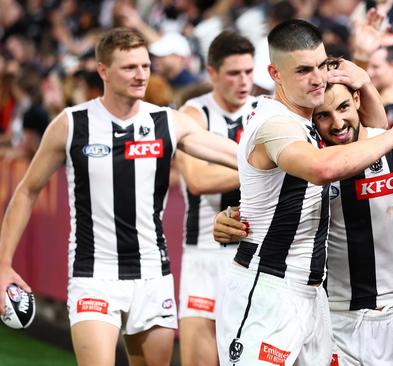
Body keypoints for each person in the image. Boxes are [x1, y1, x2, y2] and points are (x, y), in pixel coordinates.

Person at [0, 28, 238, 366]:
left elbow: (239, 156)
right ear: (103, 71)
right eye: (129, 67)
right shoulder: (71, 124)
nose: (141, 74)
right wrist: (3, 265)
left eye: (145, 65)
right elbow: (27, 191)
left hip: (153, 274)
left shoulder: (167, 122)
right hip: (94, 274)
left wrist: (286, 153)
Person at [214, 73, 393, 364]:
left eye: (343, 107)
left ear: (357, 100)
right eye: (323, 115)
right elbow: (261, 197)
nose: (337, 123)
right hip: (334, 320)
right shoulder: (309, 164)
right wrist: (230, 219)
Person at [214, 19, 393, 366]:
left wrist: (364, 77)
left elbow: (365, 145)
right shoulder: (275, 123)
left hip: (311, 295)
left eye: (322, 66)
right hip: (269, 290)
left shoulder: (310, 124)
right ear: (275, 74)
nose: (318, 78)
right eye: (304, 70)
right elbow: (322, 169)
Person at [175, 31, 255, 366]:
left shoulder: (263, 111)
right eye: (234, 73)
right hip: (204, 255)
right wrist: (262, 171)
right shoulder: (193, 116)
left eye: (249, 72)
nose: (244, 81)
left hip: (255, 256)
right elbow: (197, 179)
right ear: (212, 73)